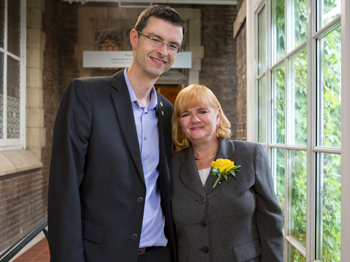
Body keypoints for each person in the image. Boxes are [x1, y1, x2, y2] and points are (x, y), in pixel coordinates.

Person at [48, 5, 185, 262]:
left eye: (173, 45)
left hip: (159, 254)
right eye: (155, 39)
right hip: (102, 254)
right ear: (134, 39)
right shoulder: (86, 95)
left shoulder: (169, 112)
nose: (163, 51)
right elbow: (64, 189)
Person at [170, 84, 283, 262]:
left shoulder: (249, 155)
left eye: (202, 111)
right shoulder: (171, 166)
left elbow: (271, 221)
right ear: (180, 123)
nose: (194, 119)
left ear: (218, 115)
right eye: (185, 114)